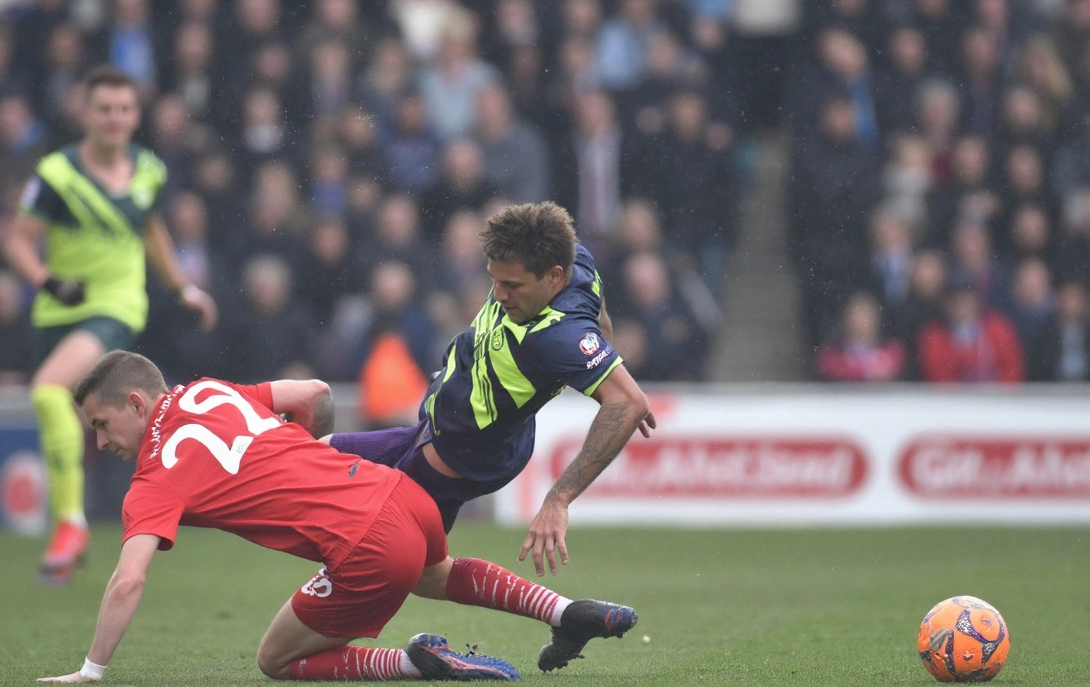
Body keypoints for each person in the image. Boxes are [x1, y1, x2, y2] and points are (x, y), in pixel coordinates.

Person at [37, 350, 636, 682]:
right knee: (432, 572)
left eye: (100, 425)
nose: (100, 443)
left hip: (364, 543)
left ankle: (415, 662)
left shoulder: (151, 478)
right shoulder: (205, 391)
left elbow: (130, 578)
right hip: (399, 494)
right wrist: (308, 458)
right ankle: (567, 610)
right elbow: (316, 393)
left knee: (275, 661)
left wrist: (90, 672)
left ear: (136, 403)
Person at [327, 202, 656, 586]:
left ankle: (303, 643)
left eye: (512, 285)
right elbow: (595, 309)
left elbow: (629, 403)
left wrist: (559, 499)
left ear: (553, 277)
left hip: (463, 453)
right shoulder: (574, 258)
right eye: (494, 280)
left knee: (364, 557)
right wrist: (606, 360)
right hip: (437, 430)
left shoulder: (558, 336)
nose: (498, 295)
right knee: (317, 457)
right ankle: (564, 616)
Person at [5, 66, 218, 585]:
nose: (115, 118)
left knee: (46, 390)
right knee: (63, 406)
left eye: (124, 109)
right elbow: (17, 240)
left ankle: (70, 525)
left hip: (117, 306)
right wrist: (47, 280)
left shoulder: (148, 170)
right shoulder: (57, 174)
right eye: (105, 108)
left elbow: (152, 231)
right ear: (86, 112)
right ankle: (77, 526)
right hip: (58, 313)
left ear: (135, 115)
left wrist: (180, 286)